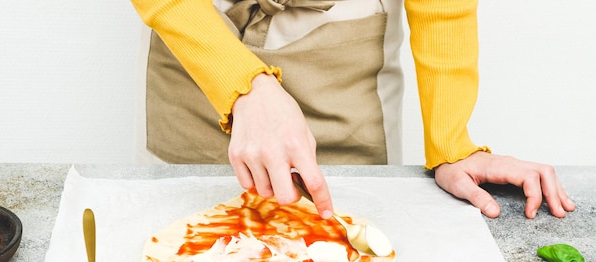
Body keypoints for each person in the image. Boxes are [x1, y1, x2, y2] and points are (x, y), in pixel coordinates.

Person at [131, 0, 575, 220]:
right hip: (200, 36)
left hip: (349, 46)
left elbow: (444, 10)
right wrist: (242, 86)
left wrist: (452, 143)